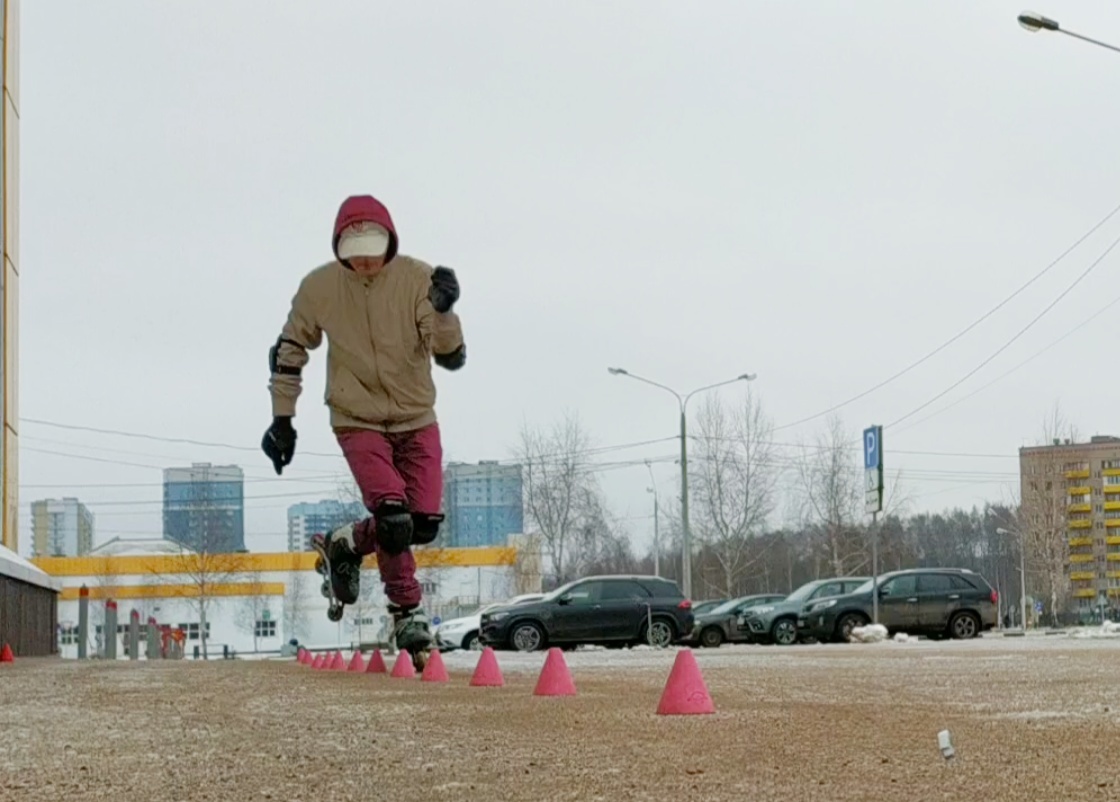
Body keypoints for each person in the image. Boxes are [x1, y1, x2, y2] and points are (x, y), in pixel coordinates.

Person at [261, 194, 465, 669]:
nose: (367, 261)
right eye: (354, 252)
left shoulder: (417, 277)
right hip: (357, 418)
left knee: (422, 524)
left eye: (375, 248)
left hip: (417, 417)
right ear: (339, 249)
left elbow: (449, 355)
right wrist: (281, 419)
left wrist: (444, 311)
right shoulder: (320, 288)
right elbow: (289, 350)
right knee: (393, 518)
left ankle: (346, 542)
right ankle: (407, 613)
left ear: (391, 242)